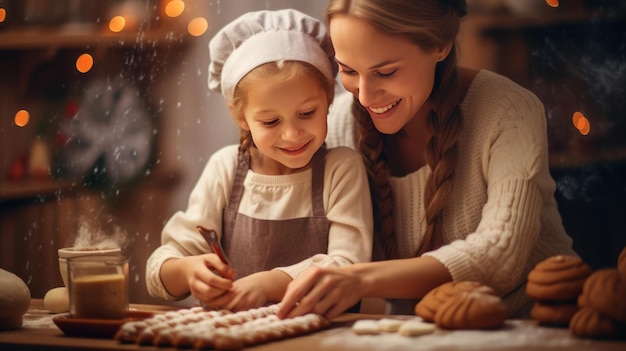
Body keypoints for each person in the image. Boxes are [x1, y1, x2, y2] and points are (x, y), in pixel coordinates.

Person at [278, 0, 578, 320]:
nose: (364, 96)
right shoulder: (334, 124)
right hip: (416, 335)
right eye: (349, 71)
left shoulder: (509, 111)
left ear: (440, 45)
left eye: (386, 71)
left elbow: (501, 255)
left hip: (537, 327)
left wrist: (359, 280)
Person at [146, 9, 373, 312]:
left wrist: (268, 283)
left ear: (329, 98)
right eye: (270, 121)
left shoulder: (341, 169)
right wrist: (189, 272)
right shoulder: (225, 168)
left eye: (307, 113)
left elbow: (349, 264)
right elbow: (159, 268)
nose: (292, 134)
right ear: (240, 117)